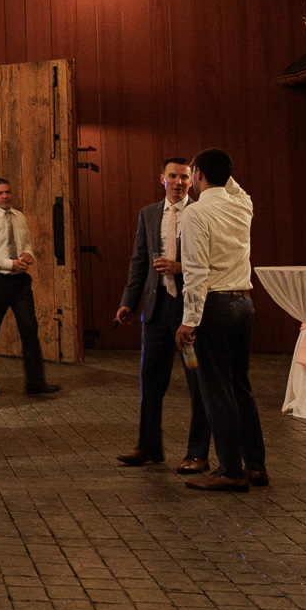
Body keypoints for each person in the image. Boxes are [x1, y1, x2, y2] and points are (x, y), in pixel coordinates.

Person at [175, 148, 268, 492]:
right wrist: (218, 167)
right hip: (244, 302)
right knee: (240, 385)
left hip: (213, 307)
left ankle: (230, 469)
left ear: (197, 173)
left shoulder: (196, 213)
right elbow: (234, 185)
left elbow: (196, 272)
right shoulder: (242, 205)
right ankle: (255, 465)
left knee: (216, 389)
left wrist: (188, 320)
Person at [114, 158, 211, 472]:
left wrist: (181, 268)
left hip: (189, 315)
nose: (179, 182)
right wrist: (128, 302)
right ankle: (149, 447)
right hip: (156, 313)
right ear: (162, 178)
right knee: (151, 380)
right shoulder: (149, 213)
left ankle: (197, 453)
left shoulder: (200, 212)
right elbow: (139, 262)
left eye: (184, 176)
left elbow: (211, 261)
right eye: (173, 176)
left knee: (197, 381)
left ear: (191, 180)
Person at [0, 177, 59, 397]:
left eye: (7, 192)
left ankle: (35, 382)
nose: (5, 196)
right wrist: (9, 263)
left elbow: (25, 242)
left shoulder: (19, 217)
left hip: (19, 281)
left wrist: (28, 253)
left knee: (30, 329)